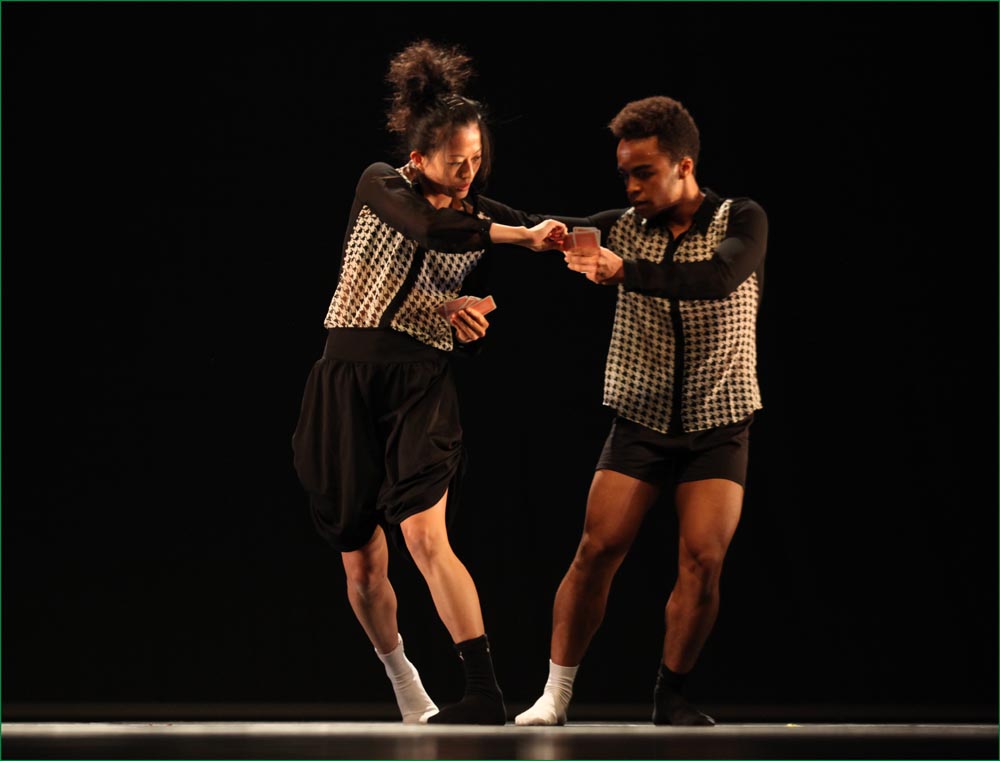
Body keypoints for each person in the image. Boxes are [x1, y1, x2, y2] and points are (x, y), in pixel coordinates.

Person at [291, 40, 566, 725]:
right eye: (455, 162)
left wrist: (473, 325)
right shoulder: (381, 182)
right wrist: (520, 237)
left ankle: (484, 690)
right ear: (419, 159)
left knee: (424, 537)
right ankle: (406, 684)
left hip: (420, 383)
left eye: (477, 159)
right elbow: (429, 227)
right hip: (346, 380)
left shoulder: (479, 216)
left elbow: (508, 254)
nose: (469, 173)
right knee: (361, 562)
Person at [515, 96, 768, 727]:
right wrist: (471, 209)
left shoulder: (740, 218)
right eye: (624, 174)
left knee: (703, 560)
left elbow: (718, 277)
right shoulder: (624, 225)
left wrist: (623, 270)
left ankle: (671, 694)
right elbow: (536, 224)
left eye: (644, 173)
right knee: (596, 549)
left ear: (684, 165)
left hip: (719, 418)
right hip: (642, 417)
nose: (630, 187)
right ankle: (555, 694)